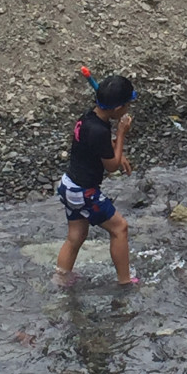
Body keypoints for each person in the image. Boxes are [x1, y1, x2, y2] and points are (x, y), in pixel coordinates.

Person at [56, 75, 138, 286]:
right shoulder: (100, 130)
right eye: (127, 104)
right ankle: (125, 282)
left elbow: (97, 145)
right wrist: (121, 134)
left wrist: (115, 149)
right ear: (118, 108)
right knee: (120, 228)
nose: (128, 108)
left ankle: (61, 279)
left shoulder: (88, 118)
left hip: (69, 185)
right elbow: (111, 166)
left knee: (76, 235)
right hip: (85, 192)